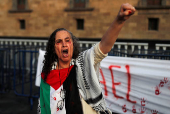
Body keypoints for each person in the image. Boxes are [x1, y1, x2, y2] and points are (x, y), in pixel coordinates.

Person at [38, 3, 136, 114]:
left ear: (72, 45)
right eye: (59, 42)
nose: (64, 44)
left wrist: (119, 20)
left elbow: (103, 47)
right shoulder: (46, 76)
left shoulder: (82, 63)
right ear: (54, 48)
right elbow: (43, 108)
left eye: (67, 40)